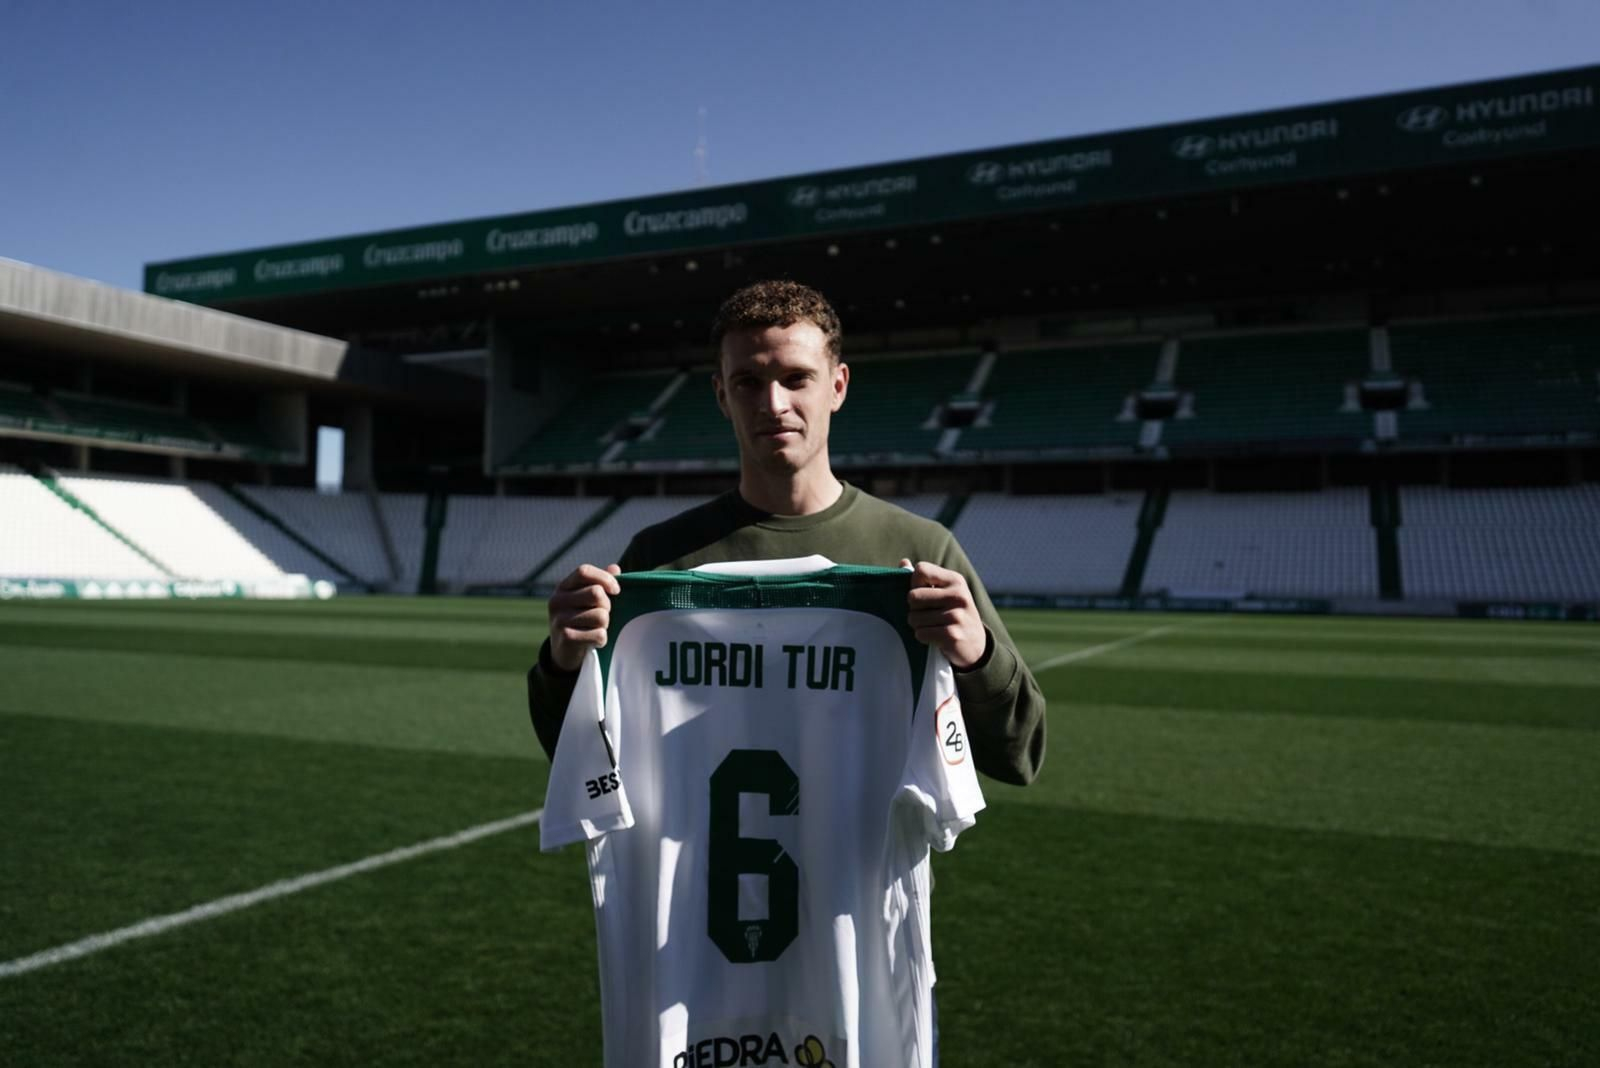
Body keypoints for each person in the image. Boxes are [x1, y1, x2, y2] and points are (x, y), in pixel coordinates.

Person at [526, 279, 1044, 786]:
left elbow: (1019, 755)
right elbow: (582, 762)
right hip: (696, 873)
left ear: (837, 386)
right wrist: (564, 664)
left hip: (863, 873)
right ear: (721, 396)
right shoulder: (659, 557)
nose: (772, 404)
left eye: (796, 378)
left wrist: (977, 657)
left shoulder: (921, 551)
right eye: (748, 381)